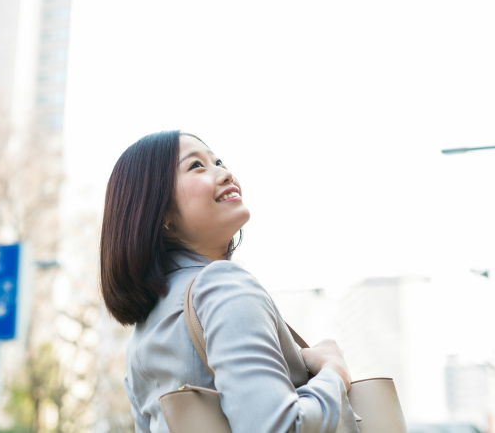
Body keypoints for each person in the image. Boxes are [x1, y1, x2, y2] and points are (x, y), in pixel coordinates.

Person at [100, 131, 359, 433]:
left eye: (218, 161)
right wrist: (333, 375)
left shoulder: (143, 336)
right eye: (196, 166)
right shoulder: (222, 284)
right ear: (161, 214)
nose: (225, 173)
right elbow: (279, 427)